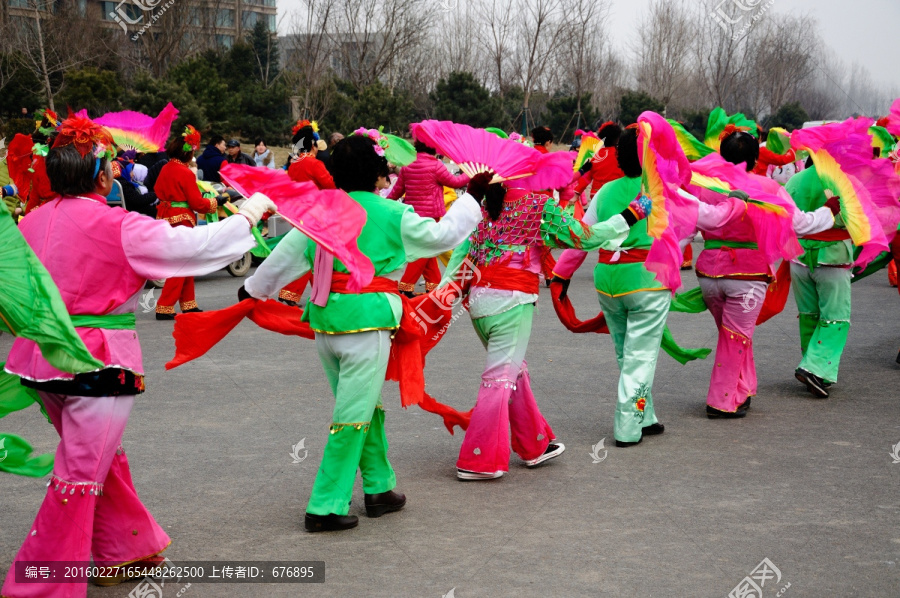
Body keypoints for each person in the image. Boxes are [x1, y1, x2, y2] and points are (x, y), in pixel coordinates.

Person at [1, 115, 274, 598]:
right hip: (97, 362)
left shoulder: (33, 219)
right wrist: (248, 215)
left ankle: (121, 550)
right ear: (103, 175)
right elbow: (192, 247)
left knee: (97, 458)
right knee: (80, 473)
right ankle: (38, 585)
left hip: (43, 360)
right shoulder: (117, 225)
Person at [241, 135, 483, 532]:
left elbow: (286, 254)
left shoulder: (320, 210)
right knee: (352, 415)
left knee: (363, 407)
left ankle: (380, 487)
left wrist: (252, 290)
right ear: (378, 173)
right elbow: (442, 237)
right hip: (366, 325)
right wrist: (473, 196)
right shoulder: (391, 213)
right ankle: (324, 505)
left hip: (325, 323)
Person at [446, 173, 650, 480]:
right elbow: (585, 237)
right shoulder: (538, 205)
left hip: (480, 303)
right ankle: (477, 461)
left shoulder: (484, 206)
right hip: (512, 303)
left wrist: (442, 294)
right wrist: (631, 214)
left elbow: (462, 255)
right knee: (499, 380)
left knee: (514, 370)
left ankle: (534, 445)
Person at [551, 125, 746, 447]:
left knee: (626, 353)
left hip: (608, 280)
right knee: (640, 356)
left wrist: (561, 274)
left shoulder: (605, 191)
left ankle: (645, 415)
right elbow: (712, 218)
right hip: (647, 280)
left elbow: (583, 238)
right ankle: (627, 426)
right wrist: (737, 202)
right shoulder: (662, 188)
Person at [692, 130, 836, 418]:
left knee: (733, 335)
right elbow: (802, 224)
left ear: (722, 155)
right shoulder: (767, 188)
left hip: (708, 275)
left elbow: (688, 228)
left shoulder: (706, 187)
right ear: (756, 158)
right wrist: (828, 213)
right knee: (736, 337)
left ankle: (742, 389)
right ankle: (721, 401)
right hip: (746, 278)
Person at [153, 127, 222, 319]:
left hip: (166, 217)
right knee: (182, 265)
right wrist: (216, 202)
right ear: (189, 152)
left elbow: (157, 190)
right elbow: (197, 203)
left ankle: (188, 304)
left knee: (185, 262)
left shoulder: (165, 168)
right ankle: (164, 306)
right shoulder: (185, 173)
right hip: (183, 220)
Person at [388, 138, 470, 296]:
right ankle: (405, 285)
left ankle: (433, 286)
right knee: (426, 250)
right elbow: (455, 182)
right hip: (431, 216)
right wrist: (470, 173)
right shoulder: (435, 165)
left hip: (412, 215)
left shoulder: (407, 165)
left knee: (430, 251)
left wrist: (380, 203)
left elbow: (396, 191)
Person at [278, 120, 336, 306]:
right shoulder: (314, 164)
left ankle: (321, 291)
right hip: (315, 214)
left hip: (298, 212)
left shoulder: (294, 165)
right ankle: (289, 293)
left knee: (310, 253)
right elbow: (331, 186)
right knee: (309, 254)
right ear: (312, 145)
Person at [574, 122, 625, 199]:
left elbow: (587, 176)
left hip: (596, 194)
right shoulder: (620, 156)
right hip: (614, 194)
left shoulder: (595, 156)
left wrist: (577, 193)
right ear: (617, 139)